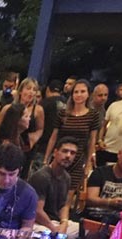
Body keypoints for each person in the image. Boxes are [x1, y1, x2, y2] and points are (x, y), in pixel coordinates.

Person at [44, 79, 100, 208]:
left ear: (88, 94)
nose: (79, 95)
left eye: (82, 91)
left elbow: (92, 140)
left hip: (78, 159)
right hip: (60, 156)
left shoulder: (93, 115)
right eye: (76, 92)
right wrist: (47, 158)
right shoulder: (63, 113)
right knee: (52, 191)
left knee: (68, 197)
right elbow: (54, 136)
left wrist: (88, 164)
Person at [28, 136, 78, 228]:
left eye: (72, 153)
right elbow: (37, 211)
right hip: (37, 222)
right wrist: (54, 229)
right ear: (55, 152)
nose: (68, 156)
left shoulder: (67, 177)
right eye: (65, 151)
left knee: (83, 230)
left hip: (55, 222)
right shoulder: (41, 176)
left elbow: (64, 206)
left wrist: (64, 223)